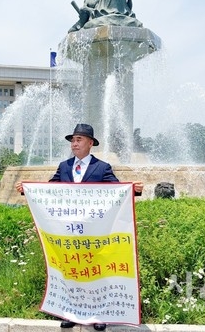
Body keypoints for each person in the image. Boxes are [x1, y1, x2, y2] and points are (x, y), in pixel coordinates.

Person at [15, 123, 143, 331]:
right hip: (69, 233)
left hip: (95, 233)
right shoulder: (64, 166)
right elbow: (50, 190)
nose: (74, 144)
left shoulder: (102, 168)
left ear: (90, 143)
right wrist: (27, 190)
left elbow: (117, 190)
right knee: (73, 271)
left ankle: (100, 315)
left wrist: (133, 189)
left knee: (97, 271)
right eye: (73, 140)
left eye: (79, 140)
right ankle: (71, 313)